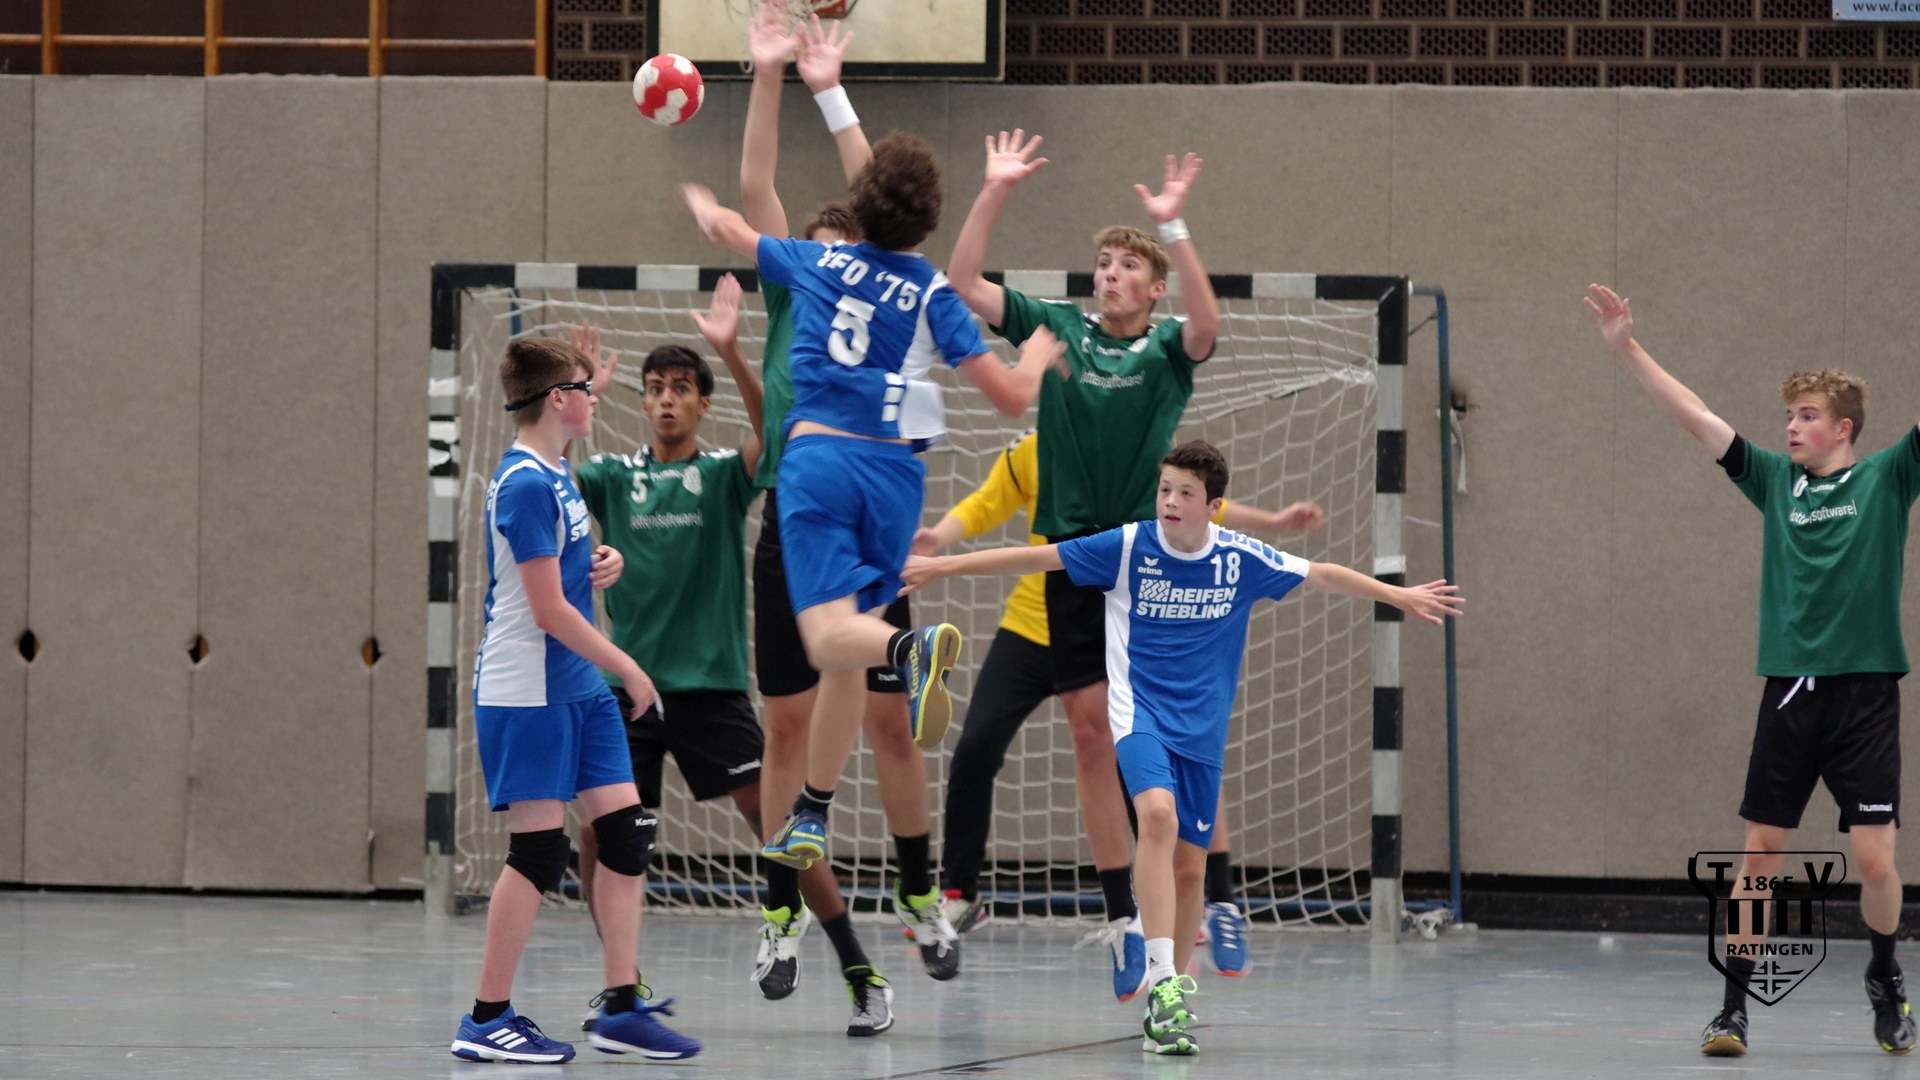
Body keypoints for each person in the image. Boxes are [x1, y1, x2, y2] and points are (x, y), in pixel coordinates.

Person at [902, 441, 1462, 1056]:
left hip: (1202, 732)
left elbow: (1321, 574)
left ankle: (1167, 1004)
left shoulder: (1239, 558)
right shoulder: (1127, 547)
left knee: (1191, 869)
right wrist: (942, 568)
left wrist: (1399, 596)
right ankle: (1163, 976)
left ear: (1213, 507)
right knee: (1157, 817)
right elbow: (1038, 557)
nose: (1170, 500)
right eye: (1165, 489)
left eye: (1185, 493)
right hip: (1138, 714)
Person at [1584, 283, 1920, 1059]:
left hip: (1866, 695)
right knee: (1760, 855)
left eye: (1806, 416)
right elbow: (1695, 415)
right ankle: (1733, 1008)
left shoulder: (1888, 477)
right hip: (1791, 691)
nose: (1791, 427)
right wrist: (1625, 347)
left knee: (1875, 861)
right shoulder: (1774, 481)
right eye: (1788, 416)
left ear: (1843, 428)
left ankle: (1884, 976)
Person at [944, 130, 1221, 1000]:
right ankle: (1119, 917)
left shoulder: (1167, 348)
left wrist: (1172, 227)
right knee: (1087, 729)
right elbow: (962, 282)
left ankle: (1179, 900)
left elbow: (1209, 325)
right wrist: (994, 188)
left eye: (1126, 266)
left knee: (1135, 739)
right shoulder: (1057, 327)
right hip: (1072, 563)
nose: (1109, 273)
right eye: (1102, 263)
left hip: (1142, 568)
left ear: (1152, 286)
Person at [731, 7, 960, 1032]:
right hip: (799, 511)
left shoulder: (876, 284)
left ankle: (919, 892)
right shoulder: (797, 289)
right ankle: (781, 913)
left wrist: (830, 90)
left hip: (857, 509)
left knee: (887, 721)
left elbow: (880, 204)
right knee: (787, 722)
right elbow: (756, 193)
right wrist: (775, 75)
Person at [916, 429, 1326, 984]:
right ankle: (1081, 910)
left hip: (1122, 616)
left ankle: (1217, 901)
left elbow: (1202, 506)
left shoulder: (1139, 451)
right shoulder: (1037, 449)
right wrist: (938, 543)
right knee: (979, 745)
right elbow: (986, 504)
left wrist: (1273, 523)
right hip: (1039, 618)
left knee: (1160, 754)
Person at [449, 336, 699, 1063]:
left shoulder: (557, 468)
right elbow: (548, 609)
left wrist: (601, 560)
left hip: (578, 686)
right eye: (585, 390)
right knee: (538, 850)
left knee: (624, 834)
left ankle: (621, 1008)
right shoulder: (525, 484)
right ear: (558, 400)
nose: (597, 399)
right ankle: (486, 1018)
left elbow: (566, 564)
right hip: (528, 688)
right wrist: (631, 668)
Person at [567, 282, 780, 993]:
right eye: (655, 388)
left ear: (702, 404)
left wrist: (732, 351)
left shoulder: (719, 476)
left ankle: (833, 947)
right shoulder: (612, 477)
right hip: (626, 689)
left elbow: (771, 432)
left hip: (710, 686)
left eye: (681, 389)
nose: (666, 399)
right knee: (596, 831)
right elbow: (550, 478)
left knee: (775, 819)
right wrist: (578, 400)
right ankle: (622, 979)